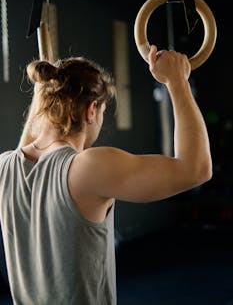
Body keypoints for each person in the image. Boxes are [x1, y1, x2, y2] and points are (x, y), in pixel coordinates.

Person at [0, 45, 212, 305]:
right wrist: (178, 81)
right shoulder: (87, 168)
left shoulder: (5, 167)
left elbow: (27, 143)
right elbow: (196, 169)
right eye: (101, 113)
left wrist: (41, 96)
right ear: (92, 110)